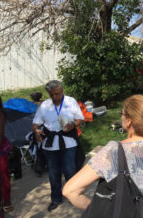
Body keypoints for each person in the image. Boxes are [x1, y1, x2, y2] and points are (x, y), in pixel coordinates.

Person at [32, 80, 84, 212]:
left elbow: (80, 119)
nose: (54, 97)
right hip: (50, 144)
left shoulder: (71, 101)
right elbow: (35, 123)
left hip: (68, 142)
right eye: (51, 95)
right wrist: (36, 131)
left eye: (57, 94)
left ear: (61, 90)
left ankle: (74, 195)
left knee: (70, 170)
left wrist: (73, 125)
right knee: (53, 173)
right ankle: (56, 199)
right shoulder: (44, 106)